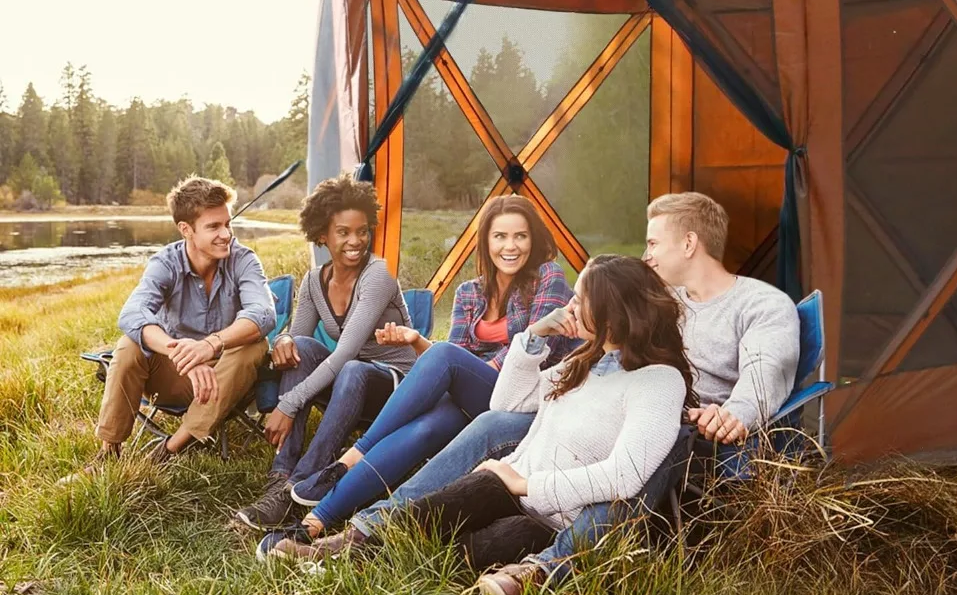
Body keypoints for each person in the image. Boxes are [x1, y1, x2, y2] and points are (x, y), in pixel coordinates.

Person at [276, 192, 800, 595]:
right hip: (585, 431)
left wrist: (732, 412)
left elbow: (761, 376)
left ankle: (533, 568)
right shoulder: (649, 310)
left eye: (653, 242)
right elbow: (561, 375)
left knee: (494, 427)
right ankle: (357, 531)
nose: (647, 255)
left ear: (689, 242)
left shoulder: (758, 305)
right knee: (490, 422)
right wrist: (538, 338)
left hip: (695, 435)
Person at [267, 254, 696, 570]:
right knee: (430, 518)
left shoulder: (657, 381)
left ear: (615, 311)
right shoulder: (583, 362)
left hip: (547, 516)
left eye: (581, 300)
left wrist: (527, 483)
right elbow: (505, 404)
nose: (569, 308)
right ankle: (345, 544)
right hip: (505, 489)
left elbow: (625, 475)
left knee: (460, 556)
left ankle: (350, 547)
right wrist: (532, 335)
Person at [253, 194, 576, 554]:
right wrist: (417, 342)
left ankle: (349, 459)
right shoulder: (470, 292)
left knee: (442, 356)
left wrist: (450, 361)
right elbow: (455, 358)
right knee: (423, 428)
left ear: (534, 240)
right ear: (485, 241)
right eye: (500, 236)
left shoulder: (550, 278)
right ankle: (315, 522)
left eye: (520, 236)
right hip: (474, 393)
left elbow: (525, 352)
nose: (510, 246)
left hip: (520, 395)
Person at [58, 176, 276, 481]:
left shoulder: (243, 260)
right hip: (176, 374)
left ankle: (172, 447)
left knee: (254, 344)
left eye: (227, 224)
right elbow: (132, 313)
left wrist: (210, 345)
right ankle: (109, 451)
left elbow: (264, 313)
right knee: (129, 345)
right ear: (186, 229)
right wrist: (181, 352)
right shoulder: (165, 263)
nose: (226, 234)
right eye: (214, 227)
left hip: (228, 379)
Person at [234, 174, 418, 530]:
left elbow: (345, 351)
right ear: (322, 234)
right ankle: (282, 474)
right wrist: (283, 341)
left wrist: (287, 405)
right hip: (354, 381)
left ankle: (302, 485)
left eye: (362, 231)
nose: (356, 241)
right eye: (343, 232)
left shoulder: (378, 274)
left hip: (398, 388)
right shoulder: (314, 280)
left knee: (351, 367)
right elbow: (298, 340)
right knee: (301, 348)